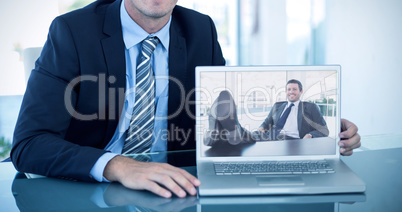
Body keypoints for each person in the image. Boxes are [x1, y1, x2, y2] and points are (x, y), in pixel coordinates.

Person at [10, 0, 360, 199]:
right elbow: (28, 145)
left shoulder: (200, 30)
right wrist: (117, 165)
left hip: (178, 192)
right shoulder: (72, 31)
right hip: (90, 193)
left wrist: (318, 137)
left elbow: (226, 128)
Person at [258, 79, 329, 140]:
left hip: (293, 141)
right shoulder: (277, 105)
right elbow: (266, 122)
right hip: (271, 138)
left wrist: (310, 135)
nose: (291, 92)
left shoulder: (311, 107)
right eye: (289, 89)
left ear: (301, 92)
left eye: (294, 89)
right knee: (250, 136)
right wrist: (262, 127)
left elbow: (323, 130)